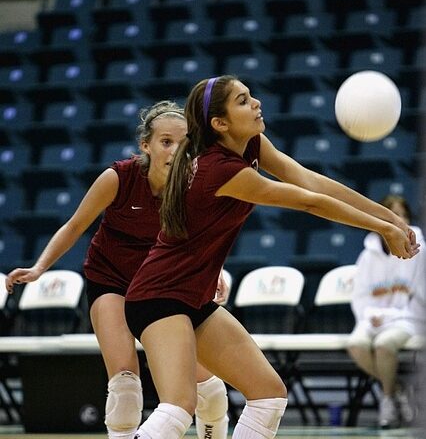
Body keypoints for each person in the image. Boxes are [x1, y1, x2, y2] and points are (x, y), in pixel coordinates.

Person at [124, 75, 419, 439]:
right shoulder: (222, 169)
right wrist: (381, 228)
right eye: (244, 101)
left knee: (268, 394)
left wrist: (388, 217)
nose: (256, 103)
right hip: (159, 297)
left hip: (193, 297)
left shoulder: (250, 145)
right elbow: (308, 201)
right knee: (178, 406)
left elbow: (311, 181)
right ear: (220, 123)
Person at [5, 101, 230, 439]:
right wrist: (39, 268)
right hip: (111, 281)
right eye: (165, 141)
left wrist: (215, 273)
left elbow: (204, 239)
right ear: (146, 145)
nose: (174, 151)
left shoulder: (192, 188)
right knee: (125, 388)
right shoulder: (119, 177)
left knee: (209, 389)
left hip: (162, 288)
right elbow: (75, 225)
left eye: (184, 144)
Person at [347, 194, 426, 429]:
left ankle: (388, 401)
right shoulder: (367, 255)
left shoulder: (421, 251)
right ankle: (397, 390)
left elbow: (420, 295)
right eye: (393, 214)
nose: (398, 219)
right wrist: (369, 315)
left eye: (403, 214)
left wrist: (393, 315)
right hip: (373, 317)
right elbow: (359, 296)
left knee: (383, 345)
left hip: (409, 317)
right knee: (356, 345)